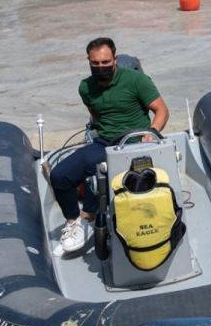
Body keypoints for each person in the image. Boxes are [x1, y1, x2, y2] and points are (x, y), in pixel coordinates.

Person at [48, 37, 169, 255]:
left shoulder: (136, 80)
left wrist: (151, 133)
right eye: (96, 63)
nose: (101, 66)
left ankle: (91, 212)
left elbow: (161, 111)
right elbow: (96, 117)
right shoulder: (85, 87)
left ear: (114, 59)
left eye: (105, 62)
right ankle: (76, 221)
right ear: (89, 61)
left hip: (135, 143)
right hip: (104, 142)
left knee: (104, 176)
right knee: (59, 176)